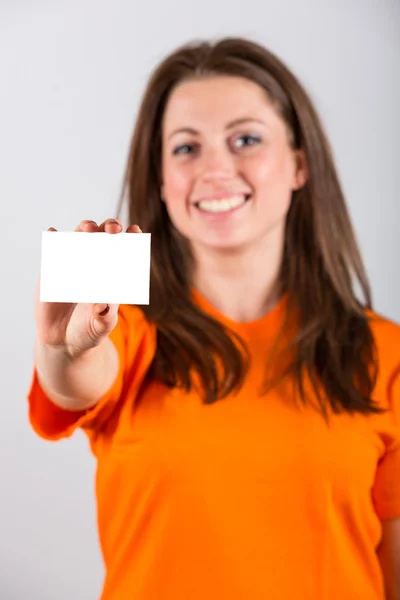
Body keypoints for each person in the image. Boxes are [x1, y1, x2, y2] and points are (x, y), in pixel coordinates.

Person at [28, 37, 400, 600]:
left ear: (300, 164)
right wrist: (64, 348)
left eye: (245, 139)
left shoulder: (384, 352)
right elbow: (79, 377)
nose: (215, 168)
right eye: (185, 148)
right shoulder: (128, 329)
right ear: (159, 179)